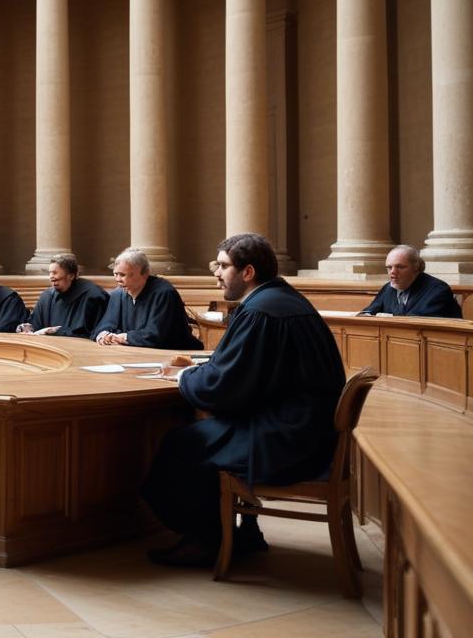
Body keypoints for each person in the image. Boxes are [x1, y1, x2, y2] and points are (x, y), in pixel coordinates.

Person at [141, 233, 346, 567]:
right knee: (201, 437)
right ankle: (242, 533)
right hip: (306, 429)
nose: (217, 274)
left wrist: (184, 377)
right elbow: (247, 374)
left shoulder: (260, 312)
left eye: (223, 266)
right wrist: (201, 371)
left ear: (247, 272)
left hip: (288, 438)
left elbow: (225, 387)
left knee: (184, 444)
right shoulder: (281, 301)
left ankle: (205, 540)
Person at [92, 248, 200, 350]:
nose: (118, 280)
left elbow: (155, 335)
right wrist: (103, 335)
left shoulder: (164, 293)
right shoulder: (117, 294)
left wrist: (122, 337)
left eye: (123, 275)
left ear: (145, 273)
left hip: (175, 354)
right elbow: (104, 325)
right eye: (115, 274)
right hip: (132, 354)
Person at [358, 245, 461, 319]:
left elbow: (425, 322)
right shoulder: (388, 288)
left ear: (416, 267)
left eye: (400, 267)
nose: (393, 272)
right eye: (389, 267)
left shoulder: (438, 290)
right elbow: (368, 313)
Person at [21, 254, 108, 338]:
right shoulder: (47, 296)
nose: (51, 277)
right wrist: (27, 328)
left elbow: (94, 331)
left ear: (71, 276)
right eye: (50, 273)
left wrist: (56, 332)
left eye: (55, 273)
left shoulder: (93, 296)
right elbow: (35, 325)